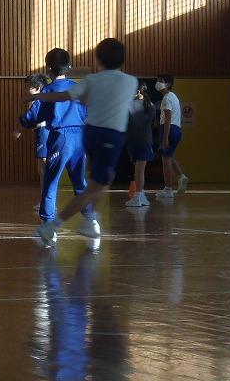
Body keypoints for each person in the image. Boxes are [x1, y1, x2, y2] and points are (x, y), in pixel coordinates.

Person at [29, 38, 138, 245]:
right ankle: (86, 221)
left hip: (83, 135)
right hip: (99, 136)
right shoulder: (130, 82)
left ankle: (52, 225)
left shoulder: (88, 81)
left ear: (98, 60)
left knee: (57, 183)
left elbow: (65, 97)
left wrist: (36, 101)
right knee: (90, 183)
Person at [19, 49, 93, 235]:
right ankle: (92, 222)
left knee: (51, 182)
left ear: (48, 68)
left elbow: (33, 116)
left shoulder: (48, 90)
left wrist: (22, 121)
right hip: (81, 137)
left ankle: (48, 227)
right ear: (68, 67)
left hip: (61, 137)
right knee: (80, 183)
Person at [14, 73, 50, 211]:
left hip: (44, 132)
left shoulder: (41, 99)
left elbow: (31, 119)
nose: (26, 89)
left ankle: (48, 201)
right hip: (40, 132)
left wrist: (19, 130)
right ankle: (44, 200)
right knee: (41, 170)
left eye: (28, 86)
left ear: (38, 87)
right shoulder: (34, 100)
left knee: (45, 168)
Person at [155, 74, 188, 199]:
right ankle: (181, 176)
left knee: (165, 160)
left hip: (169, 129)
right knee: (169, 157)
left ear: (168, 84)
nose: (158, 83)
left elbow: (168, 117)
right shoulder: (173, 96)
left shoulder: (167, 98)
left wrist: (165, 138)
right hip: (176, 129)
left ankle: (168, 189)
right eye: (157, 80)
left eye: (161, 81)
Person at [125, 84, 155, 208]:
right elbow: (151, 124)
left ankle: (138, 196)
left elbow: (126, 123)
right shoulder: (151, 105)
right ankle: (140, 195)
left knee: (138, 170)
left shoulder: (128, 104)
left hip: (133, 141)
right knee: (140, 170)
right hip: (145, 140)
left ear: (137, 91)